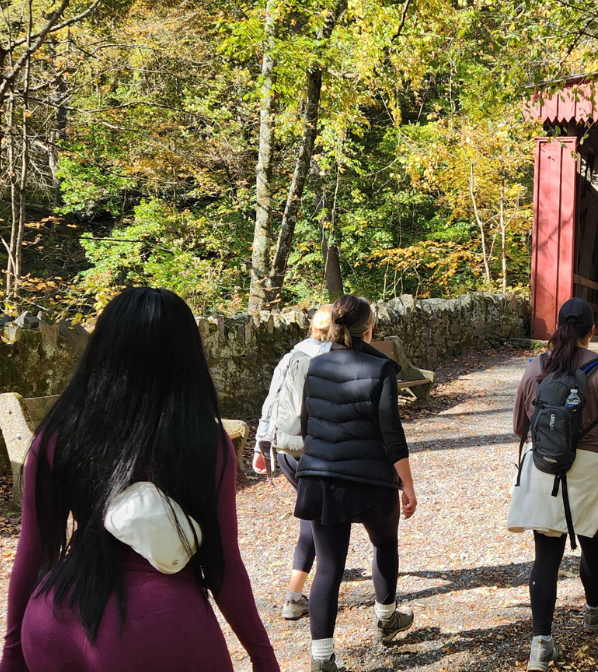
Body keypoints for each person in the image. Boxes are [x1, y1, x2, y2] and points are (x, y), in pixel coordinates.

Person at [1, 287, 279, 672]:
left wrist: (12, 652)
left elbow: (34, 551)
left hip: (51, 623)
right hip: (156, 629)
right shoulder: (205, 441)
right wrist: (263, 657)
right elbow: (223, 565)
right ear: (186, 355)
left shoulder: (58, 433)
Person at [509, 297, 598, 672]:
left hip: (544, 467)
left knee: (546, 555)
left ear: (558, 327)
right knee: (592, 542)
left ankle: (541, 645)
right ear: (592, 331)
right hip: (590, 472)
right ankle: (594, 610)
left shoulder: (536, 367)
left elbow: (520, 427)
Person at [295, 294, 417, 672]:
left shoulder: (315, 366)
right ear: (370, 328)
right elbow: (391, 433)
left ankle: (322, 659)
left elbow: (305, 425)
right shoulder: (381, 368)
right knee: (385, 543)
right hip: (370, 480)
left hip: (320, 476)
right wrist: (408, 484)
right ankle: (386, 618)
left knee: (328, 568)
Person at [253, 304, 334, 620]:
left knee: (312, 518)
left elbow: (271, 402)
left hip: (287, 451)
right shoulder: (336, 358)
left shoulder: (292, 356)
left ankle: (300, 591)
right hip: (320, 453)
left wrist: (261, 447)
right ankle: (297, 596)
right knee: (316, 524)